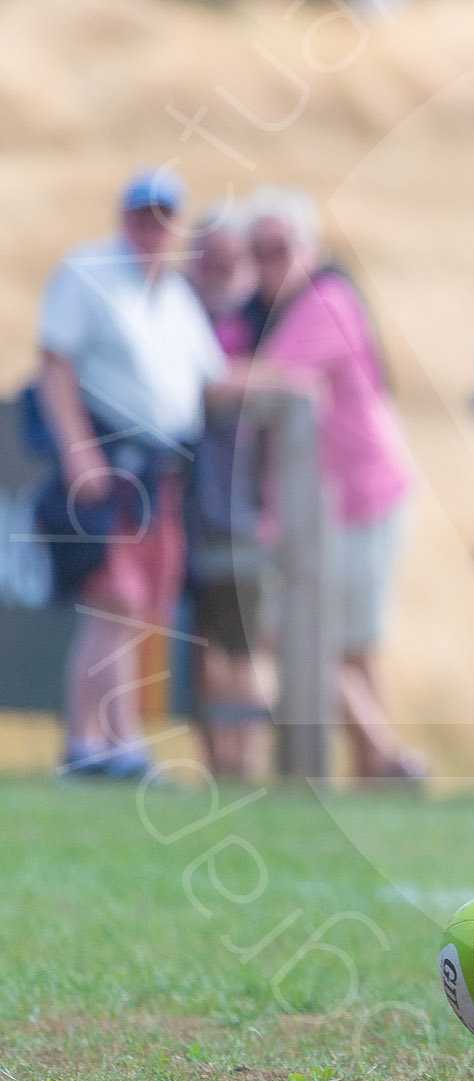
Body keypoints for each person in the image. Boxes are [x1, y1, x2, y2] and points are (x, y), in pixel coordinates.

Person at [34, 168, 227, 778]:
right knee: (115, 599)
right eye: (143, 215)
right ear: (126, 218)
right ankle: (109, 741)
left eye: (163, 216)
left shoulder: (173, 294)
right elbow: (55, 362)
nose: (153, 227)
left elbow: (213, 378)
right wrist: (78, 450)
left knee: (137, 607)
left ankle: (95, 742)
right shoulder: (89, 271)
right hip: (114, 460)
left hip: (162, 468)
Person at [242, 188, 422, 781]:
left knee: (316, 632)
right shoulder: (282, 308)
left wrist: (196, 373)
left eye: (280, 248)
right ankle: (380, 766)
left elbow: (272, 380)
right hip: (341, 499)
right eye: (259, 251)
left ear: (311, 249)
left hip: (357, 498)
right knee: (349, 644)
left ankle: (383, 756)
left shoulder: (327, 301)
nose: (269, 262)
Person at [182, 210, 266, 780]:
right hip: (187, 506)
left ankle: (246, 761)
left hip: (248, 509)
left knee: (245, 640)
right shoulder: (174, 310)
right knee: (198, 639)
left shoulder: (263, 315)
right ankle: (217, 762)